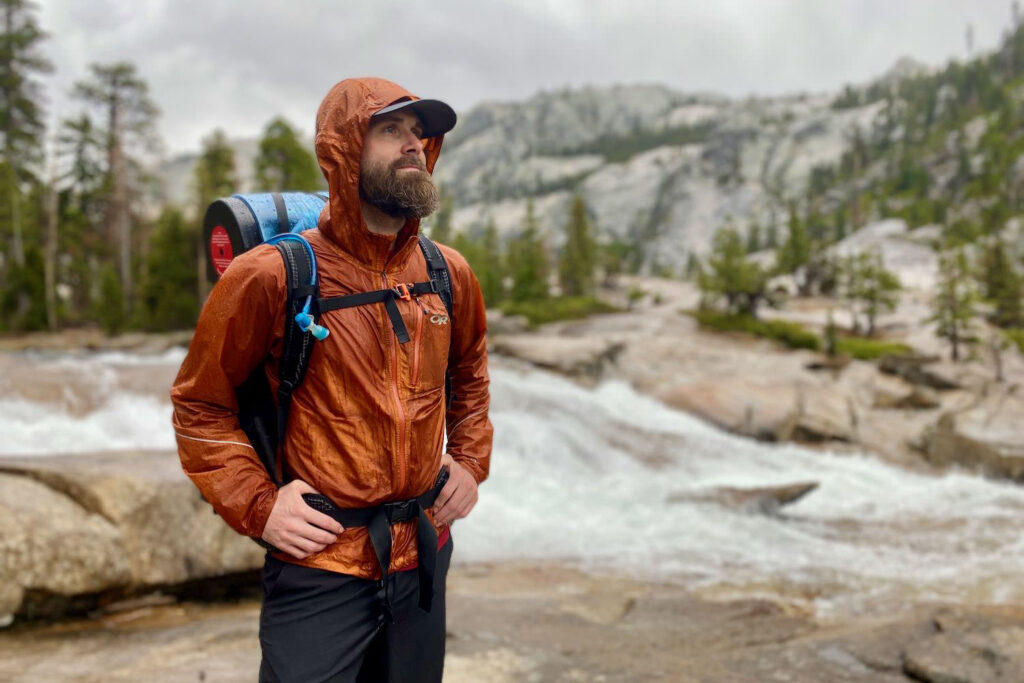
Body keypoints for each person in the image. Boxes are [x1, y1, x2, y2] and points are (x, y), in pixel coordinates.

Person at [170, 77, 493, 682]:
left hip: (422, 554)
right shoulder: (271, 275)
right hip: (320, 565)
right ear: (342, 150)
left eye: (420, 134)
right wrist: (260, 506)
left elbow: (470, 376)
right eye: (390, 130)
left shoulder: (448, 273)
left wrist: (471, 461)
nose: (412, 146)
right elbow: (200, 408)